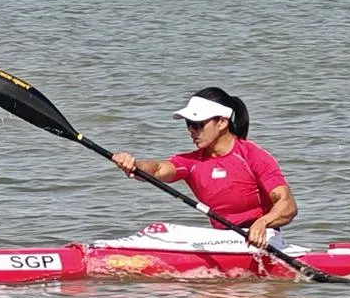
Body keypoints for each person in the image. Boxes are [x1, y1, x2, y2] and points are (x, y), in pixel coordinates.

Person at [111, 86, 297, 249]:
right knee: (158, 230)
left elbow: (288, 205)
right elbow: (158, 169)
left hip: (263, 238)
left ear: (222, 122)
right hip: (222, 240)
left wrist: (263, 222)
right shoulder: (192, 163)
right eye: (188, 124)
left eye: (198, 124)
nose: (191, 130)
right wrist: (134, 165)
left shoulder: (253, 156)